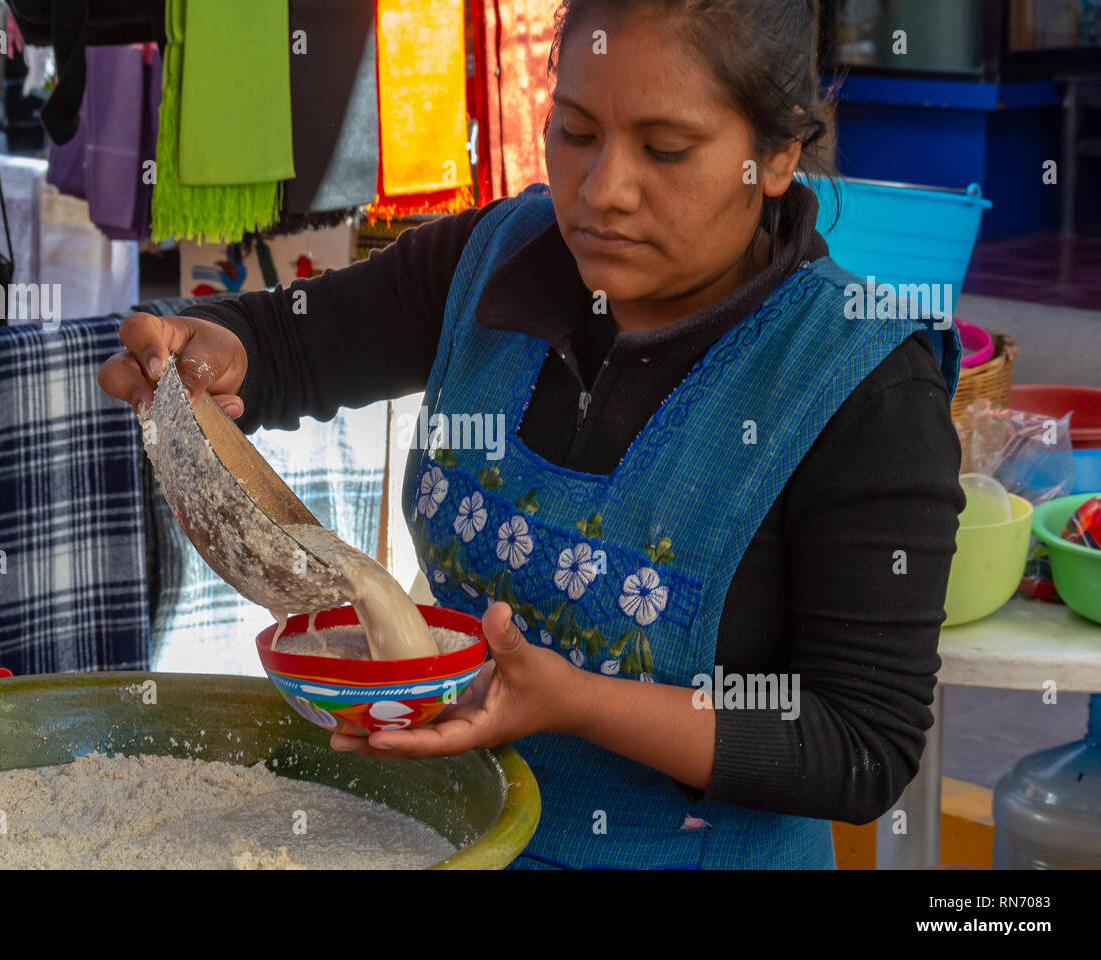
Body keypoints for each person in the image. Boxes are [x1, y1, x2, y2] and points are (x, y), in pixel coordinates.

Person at [98, 0, 964, 869]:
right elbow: (293, 342)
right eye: (577, 132)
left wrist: (576, 702)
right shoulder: (497, 256)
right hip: (449, 835)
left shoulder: (861, 381)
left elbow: (860, 747)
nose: (602, 192)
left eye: (665, 150)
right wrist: (208, 350)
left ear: (777, 154)